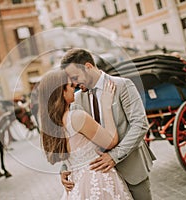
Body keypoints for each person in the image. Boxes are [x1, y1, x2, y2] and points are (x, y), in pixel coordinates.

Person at [60, 48, 156, 200]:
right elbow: (75, 138)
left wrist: (114, 156)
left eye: (75, 77)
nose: (74, 83)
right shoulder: (77, 99)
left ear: (89, 67)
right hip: (100, 178)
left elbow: (140, 124)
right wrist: (65, 167)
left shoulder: (123, 85)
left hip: (131, 168)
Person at [38, 69, 133, 199]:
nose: (74, 88)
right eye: (70, 86)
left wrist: (64, 170)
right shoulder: (77, 118)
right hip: (97, 179)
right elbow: (110, 141)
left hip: (75, 185)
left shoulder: (50, 126)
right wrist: (106, 107)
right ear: (61, 92)